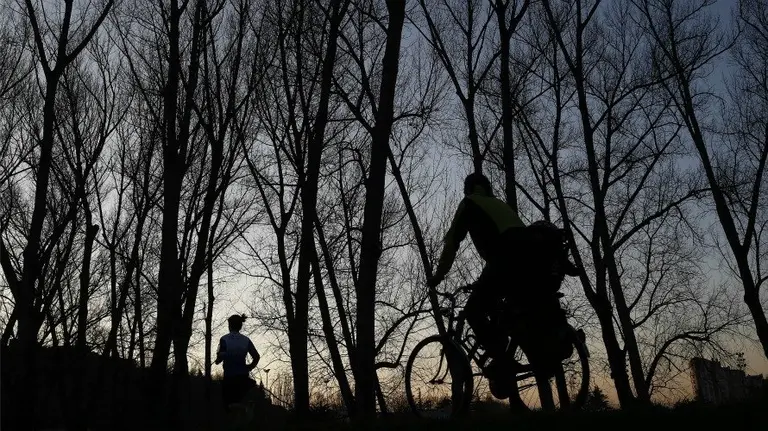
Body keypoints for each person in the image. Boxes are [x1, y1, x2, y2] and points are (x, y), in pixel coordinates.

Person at [427, 173, 578, 380]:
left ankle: (502, 358)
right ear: (487, 187)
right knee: (509, 312)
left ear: (468, 188)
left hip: (504, 260)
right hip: (530, 262)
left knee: (473, 311)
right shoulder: (498, 204)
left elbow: (452, 242)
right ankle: (539, 356)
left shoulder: (469, 203)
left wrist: (438, 276)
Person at [215, 314, 260, 411]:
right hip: (243, 377)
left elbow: (220, 356)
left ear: (229, 325)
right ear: (240, 326)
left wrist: (217, 360)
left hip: (229, 378)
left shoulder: (224, 339)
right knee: (240, 402)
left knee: (228, 407)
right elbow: (256, 356)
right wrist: (250, 367)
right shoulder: (246, 340)